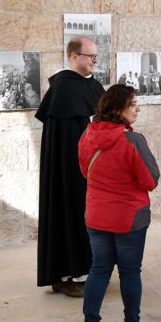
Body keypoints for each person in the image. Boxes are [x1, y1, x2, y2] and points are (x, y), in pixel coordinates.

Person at [77, 85, 160, 322]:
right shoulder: (133, 140)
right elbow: (151, 180)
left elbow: (85, 171)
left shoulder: (87, 135)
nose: (138, 108)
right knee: (130, 272)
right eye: (133, 103)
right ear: (117, 109)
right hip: (128, 219)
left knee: (99, 269)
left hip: (97, 215)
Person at [35, 37, 106, 297]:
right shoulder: (62, 88)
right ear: (74, 56)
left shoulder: (94, 85)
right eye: (90, 56)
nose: (95, 61)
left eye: (96, 56)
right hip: (68, 170)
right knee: (69, 213)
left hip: (91, 168)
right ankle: (66, 274)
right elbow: (65, 140)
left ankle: (87, 270)